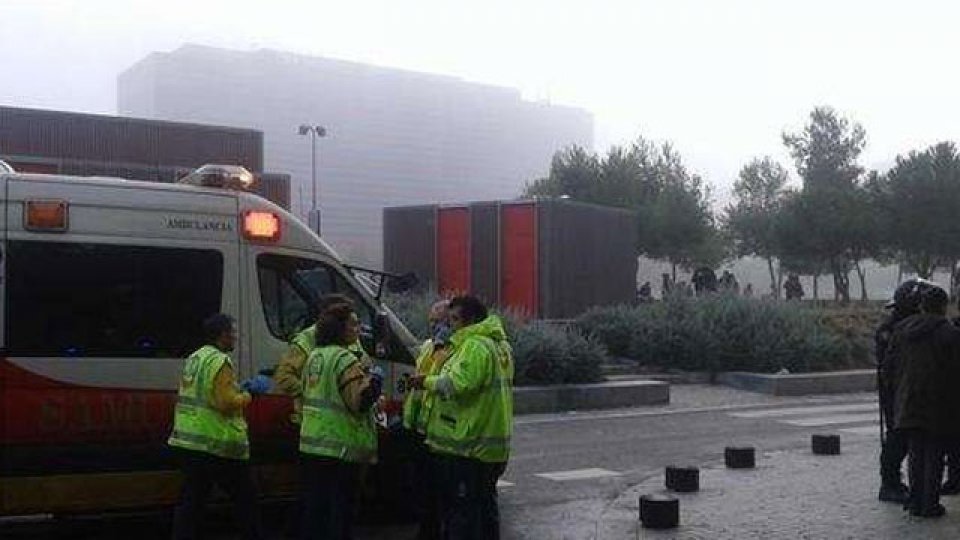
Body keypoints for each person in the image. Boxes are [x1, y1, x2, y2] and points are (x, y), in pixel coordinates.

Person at [411, 295, 513, 540]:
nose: (450, 324)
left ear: (472, 320)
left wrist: (425, 382)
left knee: (463, 514)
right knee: (485, 509)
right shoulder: (500, 345)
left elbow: (459, 384)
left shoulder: (475, 345)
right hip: (490, 442)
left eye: (455, 319)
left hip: (469, 444)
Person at [168, 313, 270, 540]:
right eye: (233, 332)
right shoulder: (220, 361)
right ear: (222, 335)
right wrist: (249, 394)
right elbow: (224, 403)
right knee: (247, 499)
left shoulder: (196, 357)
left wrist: (236, 389)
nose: (235, 337)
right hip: (216, 444)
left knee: (191, 503)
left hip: (189, 440)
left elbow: (205, 393)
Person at [299, 301, 383, 539]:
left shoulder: (315, 356)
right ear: (340, 329)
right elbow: (358, 402)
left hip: (312, 443)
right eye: (354, 324)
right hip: (340, 447)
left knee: (316, 511)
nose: (359, 329)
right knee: (340, 513)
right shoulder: (345, 360)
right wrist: (375, 381)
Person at [889, 285, 960, 517]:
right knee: (935, 454)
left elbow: (889, 366)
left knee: (915, 452)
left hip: (907, 399)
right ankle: (930, 504)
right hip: (940, 402)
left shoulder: (900, 330)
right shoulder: (950, 333)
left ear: (921, 306)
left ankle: (915, 502)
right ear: (943, 306)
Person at [274, 293, 367, 423]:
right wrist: (314, 392)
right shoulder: (305, 340)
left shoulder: (352, 338)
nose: (356, 328)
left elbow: (365, 367)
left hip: (348, 423)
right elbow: (284, 377)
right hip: (315, 422)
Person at [402, 299, 452, 540]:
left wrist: (442, 346)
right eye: (432, 321)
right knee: (422, 488)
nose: (434, 326)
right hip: (420, 428)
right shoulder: (427, 346)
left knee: (437, 491)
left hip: (439, 432)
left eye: (439, 322)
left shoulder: (452, 349)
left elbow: (444, 382)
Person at [876, 279, 928, 503]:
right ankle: (889, 484)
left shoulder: (897, 327)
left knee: (902, 437)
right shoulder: (892, 330)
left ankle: (894, 482)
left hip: (902, 389)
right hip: (896, 390)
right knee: (897, 438)